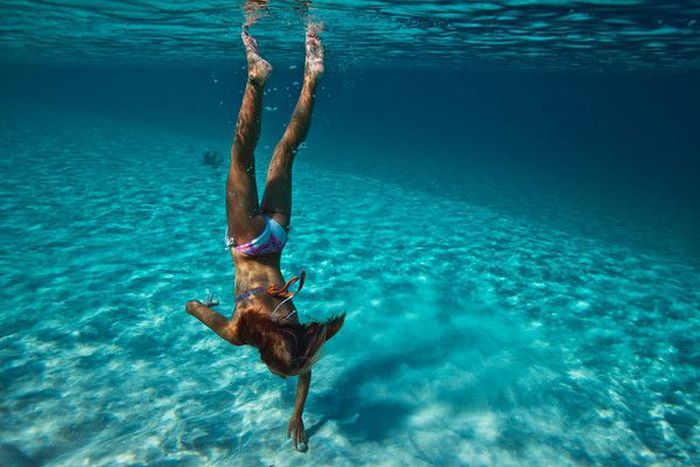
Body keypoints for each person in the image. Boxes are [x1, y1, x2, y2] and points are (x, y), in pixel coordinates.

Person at [185, 23, 345, 452]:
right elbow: (192, 307)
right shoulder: (240, 332)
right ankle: (256, 76)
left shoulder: (296, 332)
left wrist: (298, 412)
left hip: (277, 237)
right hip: (246, 242)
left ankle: (312, 75)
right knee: (241, 155)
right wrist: (208, 306)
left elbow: (304, 368)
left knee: (284, 152)